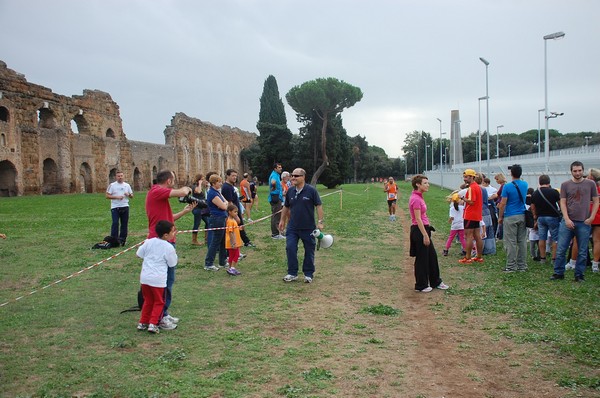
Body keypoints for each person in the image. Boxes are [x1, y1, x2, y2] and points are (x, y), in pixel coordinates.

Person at [145, 170, 195, 330]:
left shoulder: (158, 195)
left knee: (168, 280)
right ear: (168, 181)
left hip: (165, 241)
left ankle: (163, 313)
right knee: (164, 281)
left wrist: (185, 211)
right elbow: (181, 191)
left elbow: (168, 219)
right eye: (173, 179)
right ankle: (160, 317)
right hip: (160, 243)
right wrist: (189, 189)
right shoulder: (157, 191)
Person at [551, 161, 599, 282]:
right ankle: (558, 272)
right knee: (561, 248)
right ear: (571, 171)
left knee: (583, 250)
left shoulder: (590, 184)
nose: (577, 173)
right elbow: (562, 202)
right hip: (567, 221)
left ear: (583, 171)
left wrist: (591, 217)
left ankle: (579, 274)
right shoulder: (565, 185)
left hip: (584, 222)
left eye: (579, 171)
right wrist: (566, 219)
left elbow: (596, 201)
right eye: (575, 171)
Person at [279, 168, 324, 283]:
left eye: (296, 176)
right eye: (292, 175)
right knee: (290, 248)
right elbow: (286, 207)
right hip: (292, 227)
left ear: (303, 177)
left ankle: (308, 274)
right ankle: (292, 273)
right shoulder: (290, 191)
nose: (293, 177)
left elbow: (318, 206)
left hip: (308, 227)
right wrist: (282, 221)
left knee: (309, 250)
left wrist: (320, 222)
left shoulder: (311, 191)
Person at [408, 174, 449, 293]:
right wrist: (425, 235)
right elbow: (417, 219)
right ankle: (421, 285)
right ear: (418, 184)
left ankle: (436, 281)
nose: (428, 185)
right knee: (422, 259)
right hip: (419, 231)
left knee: (431, 257)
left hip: (424, 229)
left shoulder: (419, 197)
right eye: (425, 183)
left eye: (427, 183)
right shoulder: (415, 198)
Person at [136, 220, 178, 334]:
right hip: (158, 280)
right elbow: (172, 263)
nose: (174, 234)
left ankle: (142, 322)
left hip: (145, 278)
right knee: (159, 302)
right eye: (173, 232)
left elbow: (139, 254)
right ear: (166, 235)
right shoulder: (168, 247)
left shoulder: (148, 242)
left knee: (148, 300)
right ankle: (153, 323)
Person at [497, 164, 528, 272]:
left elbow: (503, 203)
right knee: (522, 241)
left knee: (511, 242)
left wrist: (500, 217)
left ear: (511, 173)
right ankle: (522, 265)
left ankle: (510, 266)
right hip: (522, 215)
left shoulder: (507, 186)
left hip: (510, 215)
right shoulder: (525, 184)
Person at [530, 174, 561, 263]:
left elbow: (532, 206)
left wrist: (535, 216)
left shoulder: (535, 193)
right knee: (555, 238)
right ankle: (554, 259)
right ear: (549, 182)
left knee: (542, 238)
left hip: (541, 217)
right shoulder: (554, 192)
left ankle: (543, 258)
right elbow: (560, 203)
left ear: (539, 182)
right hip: (553, 217)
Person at [222, 169, 254, 247]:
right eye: (233, 176)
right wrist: (235, 215)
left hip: (236, 210)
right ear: (227, 176)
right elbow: (229, 203)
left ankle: (246, 241)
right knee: (237, 227)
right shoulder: (226, 187)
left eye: (236, 176)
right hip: (233, 212)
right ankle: (244, 242)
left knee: (240, 227)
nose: (235, 177)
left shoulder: (231, 186)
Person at [204, 174, 229, 271]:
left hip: (222, 217)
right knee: (215, 241)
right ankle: (209, 263)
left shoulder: (217, 192)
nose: (221, 183)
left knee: (222, 241)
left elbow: (225, 202)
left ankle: (222, 261)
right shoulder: (212, 193)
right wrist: (224, 204)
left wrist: (224, 204)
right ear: (214, 183)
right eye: (219, 182)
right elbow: (224, 206)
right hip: (217, 219)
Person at [459, 169, 484, 264]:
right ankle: (479, 257)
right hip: (476, 214)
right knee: (477, 235)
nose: (465, 179)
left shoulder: (472, 188)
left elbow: (471, 202)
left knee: (468, 236)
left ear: (472, 177)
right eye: (464, 177)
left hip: (470, 215)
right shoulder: (477, 187)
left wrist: (462, 198)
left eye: (466, 177)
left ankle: (468, 257)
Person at [105, 171, 133, 246]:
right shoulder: (112, 185)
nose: (120, 177)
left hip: (125, 206)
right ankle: (114, 239)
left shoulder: (127, 185)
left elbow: (132, 196)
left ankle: (122, 240)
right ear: (116, 177)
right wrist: (116, 197)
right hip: (115, 207)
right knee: (115, 223)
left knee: (124, 224)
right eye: (118, 176)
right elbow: (107, 196)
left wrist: (129, 194)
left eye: (121, 176)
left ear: (123, 176)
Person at [190, 174, 209, 246]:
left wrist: (206, 186)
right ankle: (194, 240)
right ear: (199, 179)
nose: (203, 180)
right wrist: (200, 184)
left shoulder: (200, 186)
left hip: (202, 208)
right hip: (197, 208)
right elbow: (198, 191)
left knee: (208, 222)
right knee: (197, 224)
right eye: (202, 179)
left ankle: (207, 239)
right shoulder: (194, 186)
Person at [225, 203, 243, 276]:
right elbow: (231, 232)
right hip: (233, 242)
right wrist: (233, 243)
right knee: (236, 254)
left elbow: (233, 229)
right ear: (229, 212)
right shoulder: (230, 221)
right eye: (235, 212)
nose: (236, 213)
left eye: (237, 212)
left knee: (231, 255)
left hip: (231, 242)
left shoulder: (232, 220)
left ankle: (230, 268)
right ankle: (232, 268)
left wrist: (239, 228)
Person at [269, 163, 285, 239]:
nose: (280, 168)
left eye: (281, 167)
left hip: (278, 197)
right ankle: (275, 234)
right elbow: (273, 182)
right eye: (279, 167)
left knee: (277, 215)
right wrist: (274, 187)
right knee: (276, 216)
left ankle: (277, 233)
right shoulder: (274, 175)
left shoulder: (276, 175)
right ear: (275, 169)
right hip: (275, 198)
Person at [588, 168, 600, 273]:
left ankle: (576, 262)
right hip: (598, 217)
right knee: (597, 241)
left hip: (587, 216)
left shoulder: (588, 188)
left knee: (579, 240)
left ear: (591, 177)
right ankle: (595, 264)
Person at [494, 173, 507, 239]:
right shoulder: (504, 185)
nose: (496, 181)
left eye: (497, 179)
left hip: (500, 205)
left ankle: (501, 235)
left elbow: (502, 196)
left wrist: (499, 202)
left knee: (500, 220)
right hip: (500, 203)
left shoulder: (503, 186)